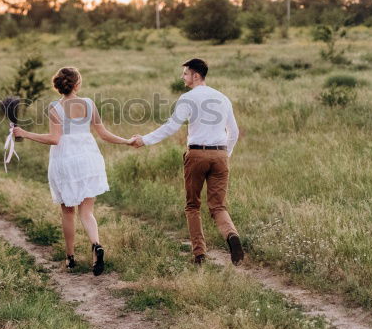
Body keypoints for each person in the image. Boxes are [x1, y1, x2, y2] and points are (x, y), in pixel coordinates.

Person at [13, 67, 134, 275]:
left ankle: (70, 258)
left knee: (68, 211)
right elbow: (103, 134)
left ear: (58, 85)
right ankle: (96, 244)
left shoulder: (54, 108)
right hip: (88, 158)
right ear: (77, 84)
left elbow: (54, 139)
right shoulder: (88, 103)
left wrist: (24, 133)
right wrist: (127, 141)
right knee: (87, 211)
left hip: (65, 160)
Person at [131, 58, 244, 266]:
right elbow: (234, 132)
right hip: (220, 155)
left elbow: (171, 127)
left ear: (196, 75)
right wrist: (224, 156)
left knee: (193, 205)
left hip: (197, 155)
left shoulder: (187, 99)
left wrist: (143, 140)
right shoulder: (222, 98)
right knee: (218, 206)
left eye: (185, 73)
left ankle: (199, 254)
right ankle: (231, 235)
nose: (182, 77)